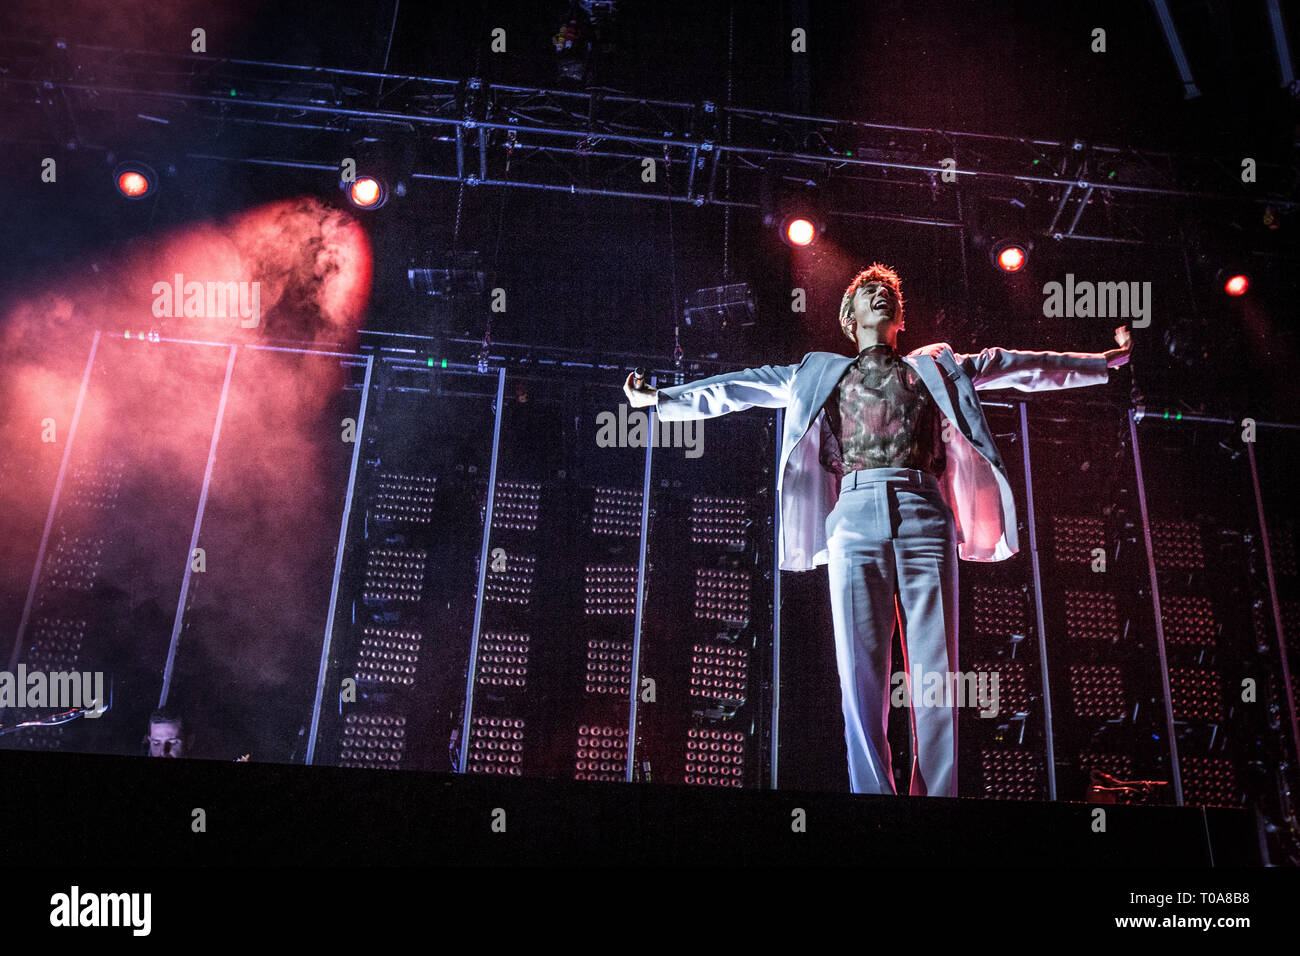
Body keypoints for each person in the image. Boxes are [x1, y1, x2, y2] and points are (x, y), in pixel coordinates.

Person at [624, 263, 1132, 796]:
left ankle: (937, 796)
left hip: (924, 508)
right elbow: (741, 388)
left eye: (890, 292)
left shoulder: (938, 363)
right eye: (870, 293)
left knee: (936, 670)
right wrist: (661, 400)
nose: (882, 297)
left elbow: (1016, 365)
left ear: (901, 318)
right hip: (854, 512)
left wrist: (1103, 362)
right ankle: (873, 797)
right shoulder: (818, 371)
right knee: (859, 671)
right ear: (851, 317)